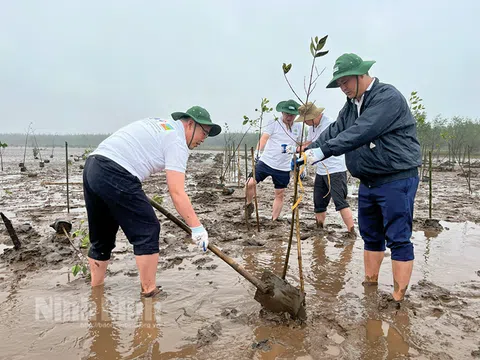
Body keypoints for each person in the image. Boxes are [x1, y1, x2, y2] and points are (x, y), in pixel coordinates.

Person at [296, 54, 421, 302]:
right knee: (371, 235)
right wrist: (308, 153)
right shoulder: (351, 105)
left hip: (395, 178)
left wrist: (324, 151)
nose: (343, 88)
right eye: (339, 84)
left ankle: (398, 298)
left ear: (361, 75)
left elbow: (362, 131)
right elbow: (335, 130)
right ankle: (370, 287)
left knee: (398, 237)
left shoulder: (387, 97)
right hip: (368, 181)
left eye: (346, 82)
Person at [83, 106, 221, 297]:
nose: (203, 139)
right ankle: (149, 292)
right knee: (148, 229)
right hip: (116, 171)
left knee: (102, 237)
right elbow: (177, 191)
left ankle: (96, 291)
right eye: (203, 133)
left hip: (93, 166)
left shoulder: (161, 125)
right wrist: (197, 227)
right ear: (190, 124)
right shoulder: (177, 140)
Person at [295, 102, 356, 238]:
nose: (305, 123)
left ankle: (351, 232)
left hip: (335, 169)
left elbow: (320, 144)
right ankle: (319, 228)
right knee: (319, 202)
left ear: (315, 116)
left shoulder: (329, 124)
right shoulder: (312, 127)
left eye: (306, 120)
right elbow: (310, 142)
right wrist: (295, 149)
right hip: (321, 169)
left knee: (340, 202)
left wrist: (304, 152)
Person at [244, 99, 303, 221]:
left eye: (292, 115)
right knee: (249, 183)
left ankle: (274, 219)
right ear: (282, 113)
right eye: (287, 114)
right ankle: (249, 204)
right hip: (266, 162)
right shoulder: (274, 123)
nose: (289, 117)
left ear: (296, 115)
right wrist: (258, 152)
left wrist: (301, 160)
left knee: (279, 193)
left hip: (283, 166)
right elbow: (264, 138)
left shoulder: (299, 127)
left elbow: (301, 145)